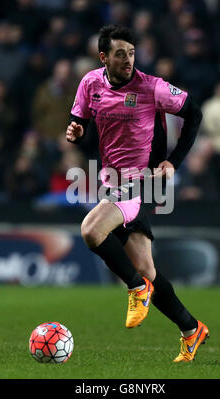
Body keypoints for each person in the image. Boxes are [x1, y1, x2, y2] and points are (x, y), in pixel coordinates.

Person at [66, 24, 209, 362]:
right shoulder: (90, 84)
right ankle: (191, 329)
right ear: (104, 57)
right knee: (146, 268)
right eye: (120, 54)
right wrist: (76, 131)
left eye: (131, 53)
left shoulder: (152, 87)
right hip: (111, 181)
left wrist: (173, 161)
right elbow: (81, 124)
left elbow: (195, 113)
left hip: (143, 180)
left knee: (90, 230)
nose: (128, 59)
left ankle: (135, 288)